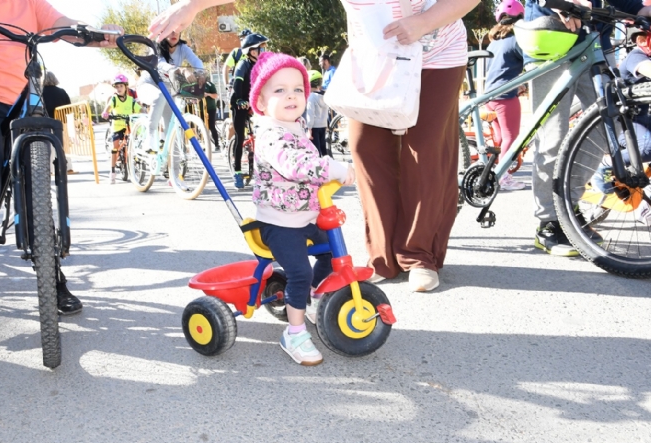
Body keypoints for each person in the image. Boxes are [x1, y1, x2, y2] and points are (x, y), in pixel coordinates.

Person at [150, 0, 481, 293]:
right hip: (375, 58)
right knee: (367, 148)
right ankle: (383, 257)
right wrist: (192, 6)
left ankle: (419, 255)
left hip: (436, 53)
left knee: (424, 152)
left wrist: (422, 23)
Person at [0, 1, 122, 313]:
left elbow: (64, 25)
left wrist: (98, 35)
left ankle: (50, 275)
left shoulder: (28, 2)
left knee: (34, 192)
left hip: (22, 97)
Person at [523, 0, 651, 256]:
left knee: (607, 128)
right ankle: (549, 221)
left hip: (597, 41)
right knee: (553, 135)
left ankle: (566, 204)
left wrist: (638, 8)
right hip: (554, 34)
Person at [249, 52, 355, 365]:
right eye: (279, 90)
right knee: (299, 272)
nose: (291, 96)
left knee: (329, 252)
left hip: (303, 214)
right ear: (261, 101)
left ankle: (310, 297)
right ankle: (294, 333)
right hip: (280, 222)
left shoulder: (296, 127)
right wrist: (332, 167)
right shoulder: (271, 134)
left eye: (297, 89)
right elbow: (295, 166)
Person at [589, 24, 651, 227]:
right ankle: (605, 166)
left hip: (640, 118)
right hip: (622, 121)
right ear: (642, 40)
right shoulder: (637, 57)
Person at [135, 29, 203, 156]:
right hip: (148, 85)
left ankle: (173, 170)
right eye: (171, 31)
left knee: (171, 129)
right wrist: (180, 70)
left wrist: (200, 73)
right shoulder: (155, 47)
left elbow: (196, 61)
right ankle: (150, 137)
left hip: (167, 89)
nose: (175, 34)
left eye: (177, 31)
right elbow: (160, 64)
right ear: (163, 33)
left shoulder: (183, 48)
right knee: (159, 96)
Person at [484, 0, 526, 191]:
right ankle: (503, 176)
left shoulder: (493, 43)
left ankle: (494, 171)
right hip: (506, 97)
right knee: (512, 137)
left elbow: (499, 70)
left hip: (489, 97)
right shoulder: (517, 40)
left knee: (500, 138)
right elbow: (530, 60)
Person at [231, 32, 268, 190]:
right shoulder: (242, 64)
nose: (263, 51)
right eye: (260, 48)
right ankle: (238, 172)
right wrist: (240, 100)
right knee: (240, 137)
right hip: (239, 101)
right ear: (252, 51)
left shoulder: (260, 65)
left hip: (253, 102)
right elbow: (237, 84)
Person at [101, 74, 140, 184]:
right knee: (115, 147)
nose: (119, 89)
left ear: (126, 87)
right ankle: (112, 171)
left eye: (121, 86)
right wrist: (106, 112)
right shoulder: (114, 99)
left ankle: (134, 161)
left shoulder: (131, 100)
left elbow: (139, 108)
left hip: (128, 125)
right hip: (117, 126)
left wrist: (144, 112)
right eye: (117, 87)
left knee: (134, 143)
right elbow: (108, 107)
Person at [41, 71, 74, 173]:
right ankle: (67, 167)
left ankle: (49, 169)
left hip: (46, 122)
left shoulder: (41, 92)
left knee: (48, 145)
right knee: (63, 145)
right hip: (61, 122)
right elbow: (69, 108)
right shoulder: (62, 92)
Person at [306, 70, 329, 156]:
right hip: (323, 125)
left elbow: (310, 113)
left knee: (316, 149)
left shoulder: (311, 97)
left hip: (314, 126)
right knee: (323, 147)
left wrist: (309, 129)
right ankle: (328, 164)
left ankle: (319, 166)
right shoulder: (324, 96)